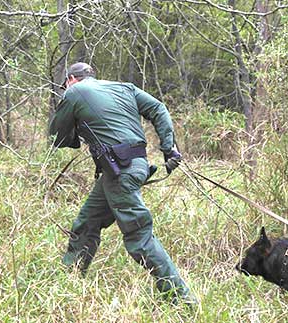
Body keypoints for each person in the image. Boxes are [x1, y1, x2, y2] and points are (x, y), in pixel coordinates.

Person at [49, 62, 196, 304]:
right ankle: (70, 281)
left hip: (120, 172)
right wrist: (169, 149)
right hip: (132, 166)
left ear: (72, 79)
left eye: (65, 84)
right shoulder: (125, 87)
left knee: (139, 236)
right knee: (88, 222)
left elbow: (57, 136)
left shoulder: (74, 91)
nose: (66, 88)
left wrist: (74, 131)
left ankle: (182, 300)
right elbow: (159, 109)